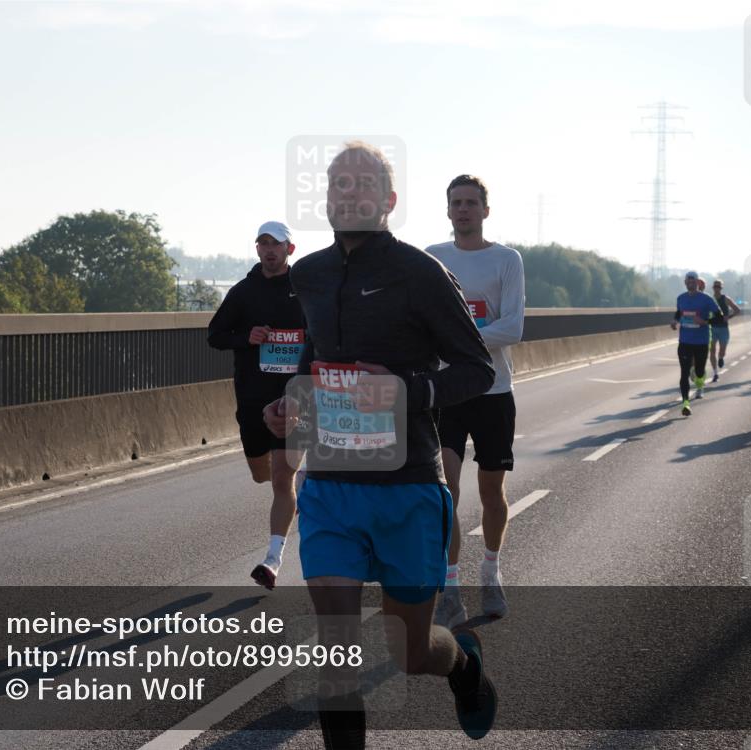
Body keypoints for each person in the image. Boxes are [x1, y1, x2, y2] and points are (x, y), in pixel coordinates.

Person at [264, 142, 498, 747]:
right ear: (327, 197)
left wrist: (403, 391)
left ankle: (464, 664)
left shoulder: (419, 273)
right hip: (332, 489)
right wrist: (294, 405)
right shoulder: (310, 274)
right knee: (336, 654)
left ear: (389, 201)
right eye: (339, 183)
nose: (349, 193)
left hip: (407, 487)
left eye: (363, 184)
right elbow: (318, 359)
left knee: (413, 652)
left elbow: (476, 368)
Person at [425, 175, 524, 627]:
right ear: (447, 211)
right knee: (445, 490)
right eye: (455, 203)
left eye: (470, 203)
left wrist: (461, 340)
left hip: (493, 392)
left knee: (491, 492)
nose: (462, 210)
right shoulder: (432, 259)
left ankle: (490, 568)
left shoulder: (507, 260)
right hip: (446, 392)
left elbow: (513, 328)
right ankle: (449, 585)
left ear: (486, 210)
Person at [207, 221, 305, 589]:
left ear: (289, 250)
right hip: (252, 397)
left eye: (275, 244)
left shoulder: (305, 290)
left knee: (282, 476)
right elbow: (214, 335)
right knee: (261, 474)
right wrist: (246, 337)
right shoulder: (244, 292)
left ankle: (272, 560)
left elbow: (326, 335)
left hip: (295, 398)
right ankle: (296, 494)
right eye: (263, 244)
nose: (269, 250)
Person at [670, 271, 721, 416]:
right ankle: (686, 403)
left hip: (701, 342)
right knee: (684, 373)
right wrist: (675, 321)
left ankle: (700, 382)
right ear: (685, 282)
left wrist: (705, 321)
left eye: (693, 281)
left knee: (699, 371)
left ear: (698, 283)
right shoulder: (681, 298)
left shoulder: (706, 299)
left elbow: (720, 317)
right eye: (688, 281)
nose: (691, 283)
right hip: (685, 341)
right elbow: (679, 312)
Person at [708, 279, 741, 382]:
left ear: (721, 288)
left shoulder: (725, 298)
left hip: (723, 328)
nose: (717, 288)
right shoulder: (710, 299)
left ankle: (721, 358)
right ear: (713, 288)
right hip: (712, 328)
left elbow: (737, 309)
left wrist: (729, 317)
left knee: (722, 351)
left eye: (718, 287)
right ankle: (715, 373)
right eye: (715, 287)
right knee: (712, 351)